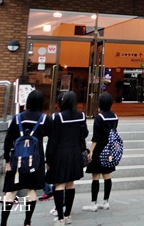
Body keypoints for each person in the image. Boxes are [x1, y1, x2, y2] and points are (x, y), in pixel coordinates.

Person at [1, 89, 50, 226]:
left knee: (10, 192)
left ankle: (3, 223)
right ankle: (27, 222)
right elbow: (51, 137)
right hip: (35, 161)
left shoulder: (18, 118)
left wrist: (7, 160)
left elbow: (8, 139)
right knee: (31, 190)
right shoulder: (44, 119)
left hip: (17, 160)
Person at [46, 91, 88, 224]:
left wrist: (48, 158)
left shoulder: (57, 117)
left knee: (59, 184)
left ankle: (60, 218)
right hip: (75, 152)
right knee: (70, 183)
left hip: (60, 154)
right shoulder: (81, 116)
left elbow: (52, 140)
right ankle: (68, 215)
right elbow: (85, 134)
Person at [82, 93, 119, 212]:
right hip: (109, 150)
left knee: (96, 176)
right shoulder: (115, 116)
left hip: (99, 149)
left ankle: (93, 203)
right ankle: (106, 201)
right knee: (107, 175)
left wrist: (91, 151)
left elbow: (96, 137)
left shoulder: (99, 117)